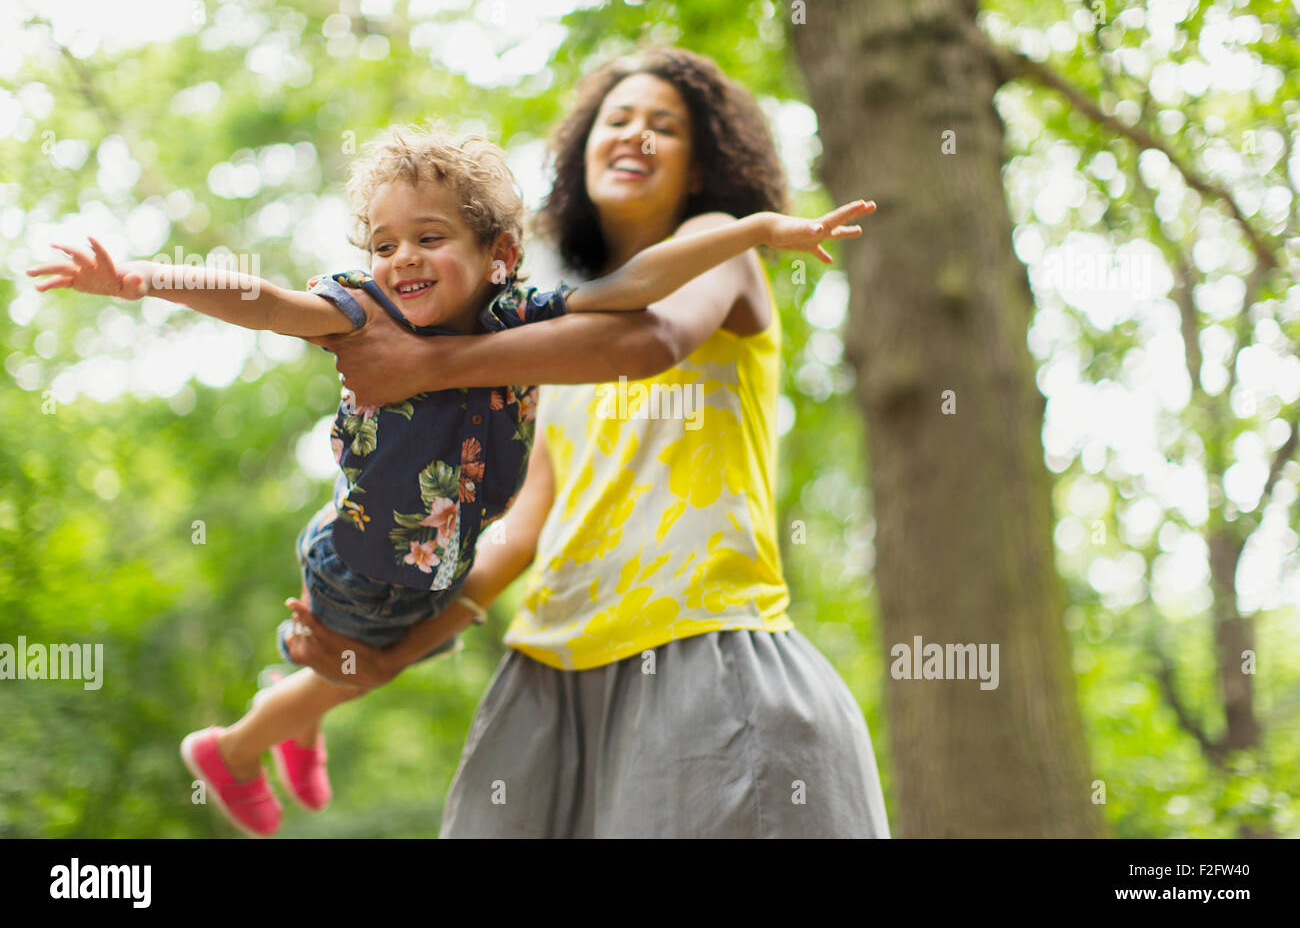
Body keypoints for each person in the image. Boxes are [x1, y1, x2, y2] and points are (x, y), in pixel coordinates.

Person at [27, 119, 871, 837]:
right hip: (355, 564)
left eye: (429, 238)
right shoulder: (365, 312)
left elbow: (633, 293)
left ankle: (289, 712)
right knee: (355, 659)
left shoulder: (520, 319)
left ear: (498, 253)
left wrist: (759, 230)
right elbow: (264, 300)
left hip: (441, 570)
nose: (403, 260)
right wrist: (143, 281)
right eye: (385, 243)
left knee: (376, 663)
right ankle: (258, 728)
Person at [285, 47, 891, 837]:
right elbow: (520, 534)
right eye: (619, 118)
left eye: (665, 127)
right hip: (550, 682)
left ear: (703, 169)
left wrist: (424, 366)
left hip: (702, 658)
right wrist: (396, 652)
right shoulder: (548, 339)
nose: (636, 135)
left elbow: (649, 344)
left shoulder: (722, 243)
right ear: (582, 152)